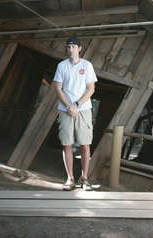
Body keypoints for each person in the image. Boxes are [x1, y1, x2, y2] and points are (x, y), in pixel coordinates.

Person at [53, 36, 97, 191]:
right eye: (68, 47)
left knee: (85, 144)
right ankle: (70, 179)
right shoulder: (62, 66)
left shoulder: (87, 65)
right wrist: (69, 106)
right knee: (67, 144)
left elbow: (91, 89)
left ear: (80, 48)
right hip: (65, 109)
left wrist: (77, 105)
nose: (71, 49)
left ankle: (85, 179)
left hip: (83, 109)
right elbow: (58, 88)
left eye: (73, 46)